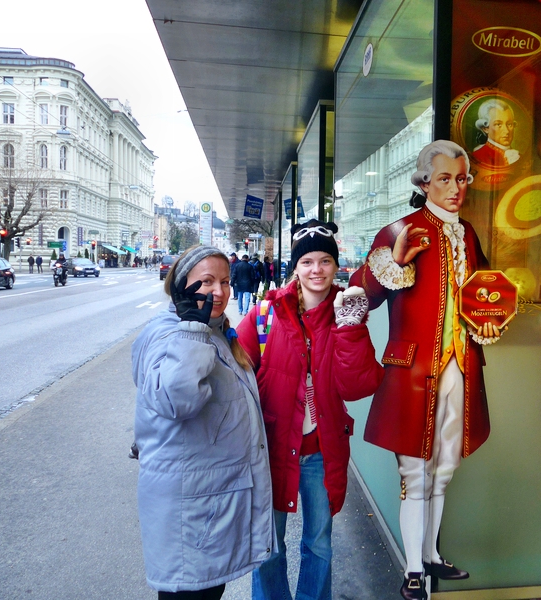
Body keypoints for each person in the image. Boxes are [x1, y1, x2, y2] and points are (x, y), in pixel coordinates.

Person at [349, 140, 503, 599]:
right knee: (415, 473)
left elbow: (484, 295)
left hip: (461, 367)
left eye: (461, 179)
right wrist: (392, 264)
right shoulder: (400, 229)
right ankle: (413, 567)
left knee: (444, 468)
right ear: (423, 183)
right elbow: (361, 295)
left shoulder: (469, 234)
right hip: (414, 371)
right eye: (444, 179)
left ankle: (432, 555)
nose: (456, 188)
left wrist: (489, 323)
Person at [237, 219, 383, 600]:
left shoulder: (348, 313)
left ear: (336, 266)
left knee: (319, 543)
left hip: (321, 450)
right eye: (307, 262)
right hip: (271, 448)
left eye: (324, 261)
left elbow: (358, 386)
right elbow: (235, 372)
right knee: (269, 546)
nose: (316, 270)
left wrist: (349, 328)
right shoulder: (267, 314)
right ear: (296, 268)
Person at [131, 246, 275, 600]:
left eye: (225, 281)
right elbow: (175, 400)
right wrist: (192, 327)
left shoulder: (212, 331)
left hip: (208, 505)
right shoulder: (173, 332)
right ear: (181, 288)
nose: (220, 292)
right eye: (206, 281)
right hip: (192, 512)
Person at [471, 98, 520, 169]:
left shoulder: (520, 157)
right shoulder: (477, 158)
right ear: (486, 128)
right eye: (498, 124)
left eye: (509, 124)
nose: (506, 131)